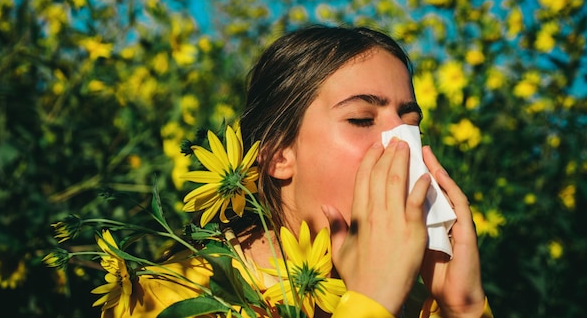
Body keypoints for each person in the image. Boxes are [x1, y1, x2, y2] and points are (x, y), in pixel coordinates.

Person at [99, 25, 492, 318]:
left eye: (410, 121)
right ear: (277, 155)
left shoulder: (417, 301)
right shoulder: (178, 294)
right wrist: (373, 303)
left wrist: (464, 308)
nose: (401, 144)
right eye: (360, 119)